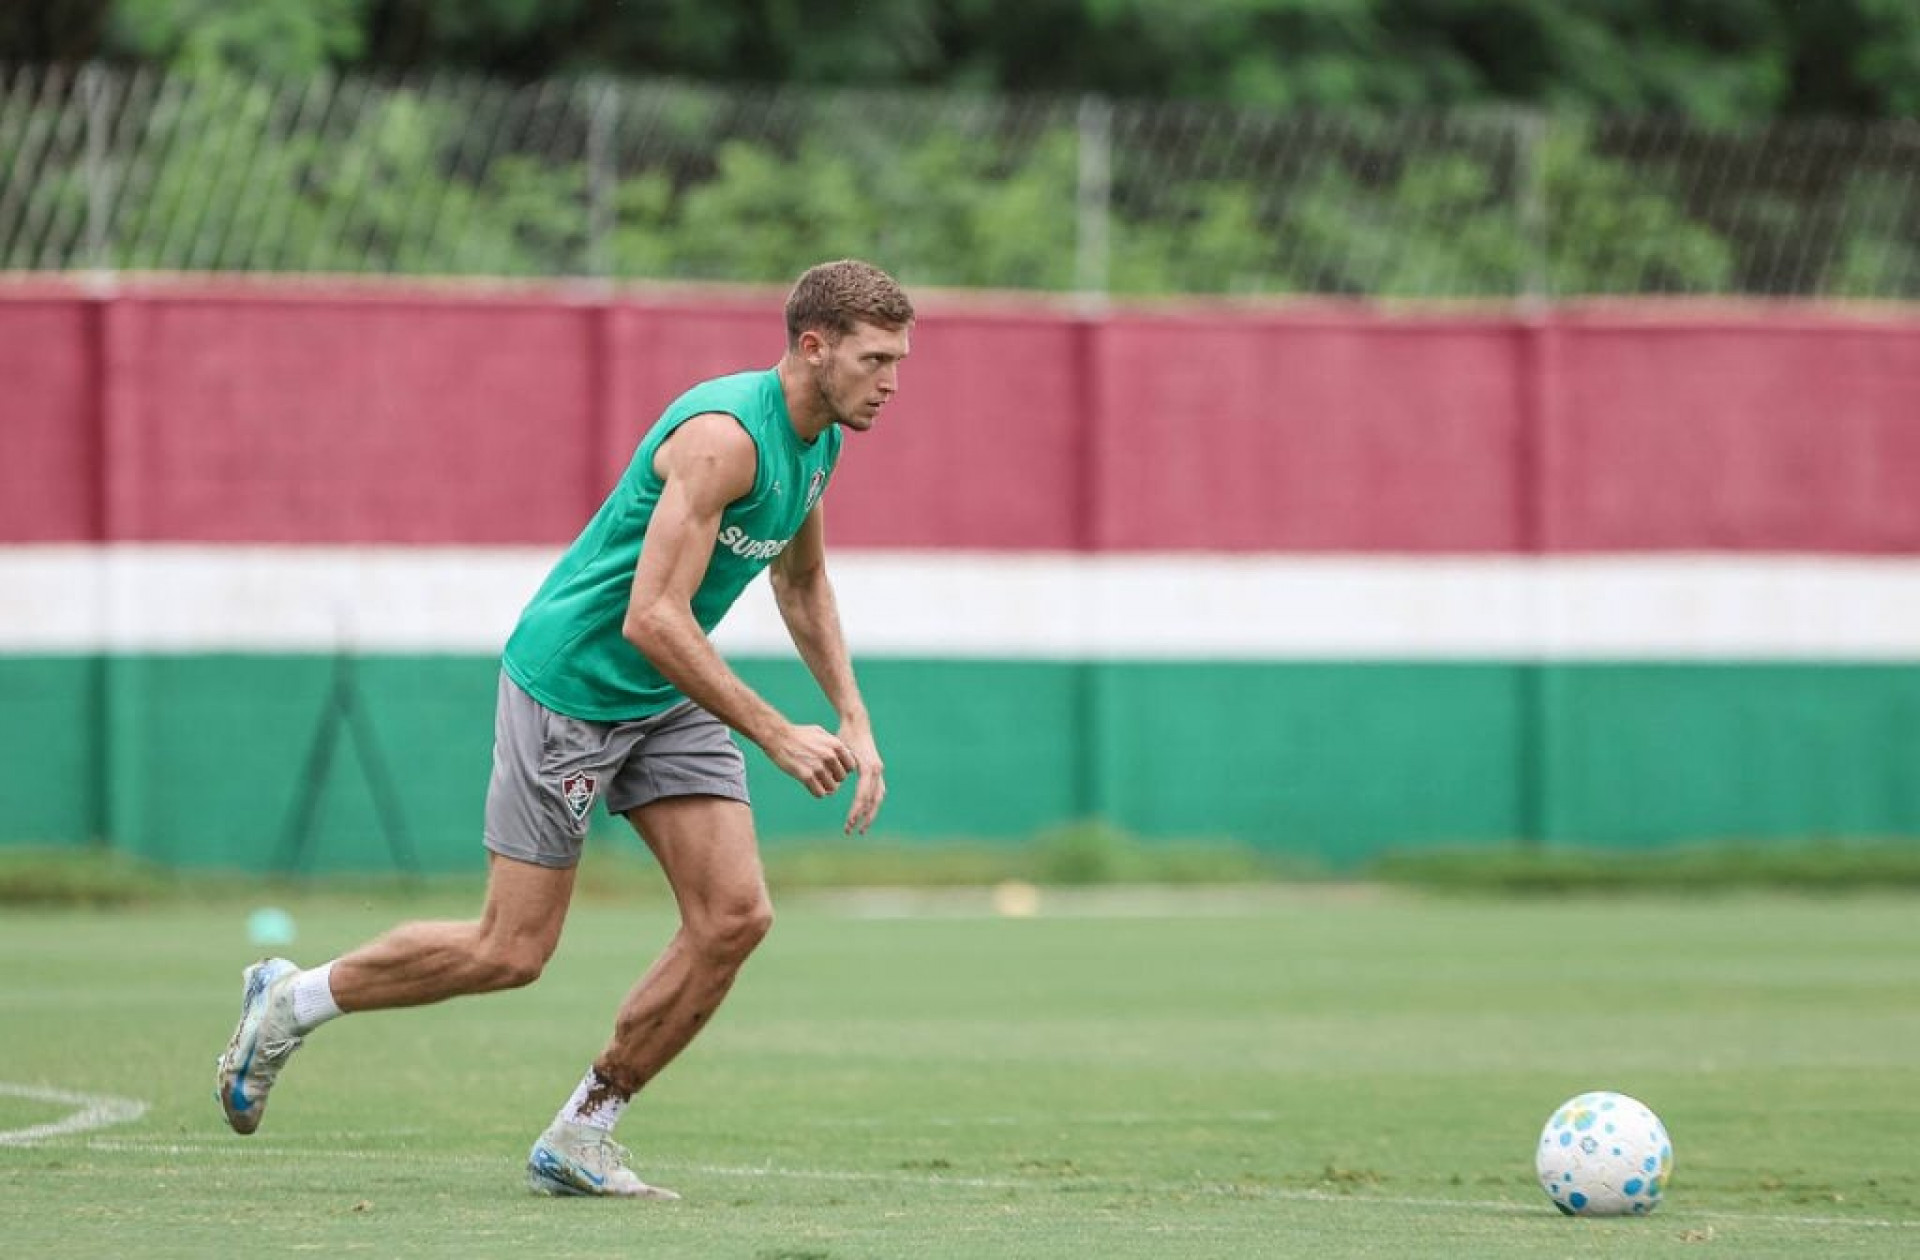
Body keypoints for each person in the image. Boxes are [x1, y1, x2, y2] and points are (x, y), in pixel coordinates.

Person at [214, 259, 914, 1199]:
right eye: (876, 359)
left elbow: (799, 580)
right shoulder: (724, 440)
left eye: (899, 360)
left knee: (734, 916)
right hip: (575, 689)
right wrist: (776, 734)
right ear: (813, 346)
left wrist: (852, 718)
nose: (892, 382)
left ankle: (585, 1130)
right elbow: (652, 617)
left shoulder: (822, 438)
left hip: (663, 694)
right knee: (510, 951)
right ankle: (289, 1002)